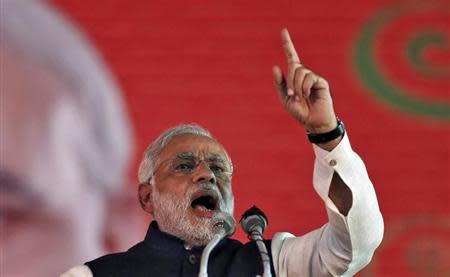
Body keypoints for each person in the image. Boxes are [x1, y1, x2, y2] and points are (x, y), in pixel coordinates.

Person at [61, 29, 384, 277]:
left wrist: (326, 134)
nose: (207, 175)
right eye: (184, 166)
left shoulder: (272, 263)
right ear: (147, 197)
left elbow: (355, 244)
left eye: (218, 167)